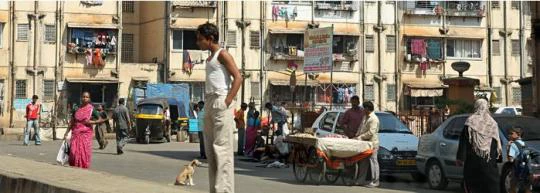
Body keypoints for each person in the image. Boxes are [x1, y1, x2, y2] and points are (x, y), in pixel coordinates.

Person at [196, 22, 242, 193]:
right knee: (211, 152)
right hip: (209, 102)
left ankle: (224, 190)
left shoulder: (223, 54)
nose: (198, 42)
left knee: (222, 150)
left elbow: (238, 77)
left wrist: (227, 101)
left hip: (220, 100)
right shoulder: (210, 57)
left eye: (201, 39)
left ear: (210, 39)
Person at [456, 99, 502, 193]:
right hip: (489, 163)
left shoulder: (470, 122)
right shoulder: (492, 123)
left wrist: (460, 158)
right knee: (490, 187)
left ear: (476, 106)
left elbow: (464, 141)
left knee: (473, 187)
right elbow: (496, 142)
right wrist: (498, 158)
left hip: (473, 162)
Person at [63, 92, 104, 169]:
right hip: (75, 132)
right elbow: (72, 121)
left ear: (89, 99)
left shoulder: (91, 109)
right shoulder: (76, 108)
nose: (85, 98)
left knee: (84, 152)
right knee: (73, 151)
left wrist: (91, 122)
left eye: (87, 97)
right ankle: (74, 166)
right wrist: (66, 132)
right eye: (83, 97)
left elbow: (100, 120)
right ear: (81, 98)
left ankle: (83, 167)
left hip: (86, 134)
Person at [356, 101, 380, 188]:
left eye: (364, 108)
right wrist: (357, 136)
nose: (362, 110)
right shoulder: (365, 117)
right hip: (364, 143)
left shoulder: (374, 119)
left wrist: (361, 137)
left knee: (373, 161)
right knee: (363, 162)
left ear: (367, 108)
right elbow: (360, 128)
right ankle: (361, 180)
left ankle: (375, 181)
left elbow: (371, 132)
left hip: (372, 143)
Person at [507, 127, 533, 193]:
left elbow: (511, 160)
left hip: (517, 171)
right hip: (527, 171)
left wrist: (508, 148)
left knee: (513, 188)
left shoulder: (512, 144)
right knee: (527, 189)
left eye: (511, 133)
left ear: (518, 134)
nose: (509, 135)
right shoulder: (525, 144)